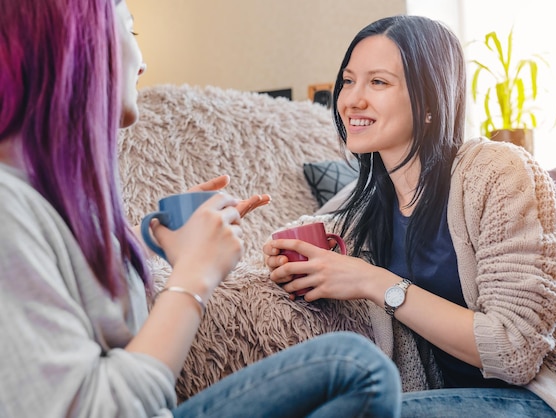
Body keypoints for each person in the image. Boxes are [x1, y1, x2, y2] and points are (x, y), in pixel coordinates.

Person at [0, 1, 403, 417]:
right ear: (77, 46)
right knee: (357, 368)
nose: (142, 64)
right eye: (130, 32)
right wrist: (195, 273)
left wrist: (156, 241)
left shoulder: (56, 200)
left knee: (358, 369)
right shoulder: (8, 210)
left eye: (378, 82)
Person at [264, 15, 556, 418]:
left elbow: (516, 352)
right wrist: (275, 253)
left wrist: (374, 282)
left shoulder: (498, 172)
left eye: (378, 82)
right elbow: (308, 237)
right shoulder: (367, 204)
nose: (352, 99)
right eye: (348, 80)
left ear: (431, 101)